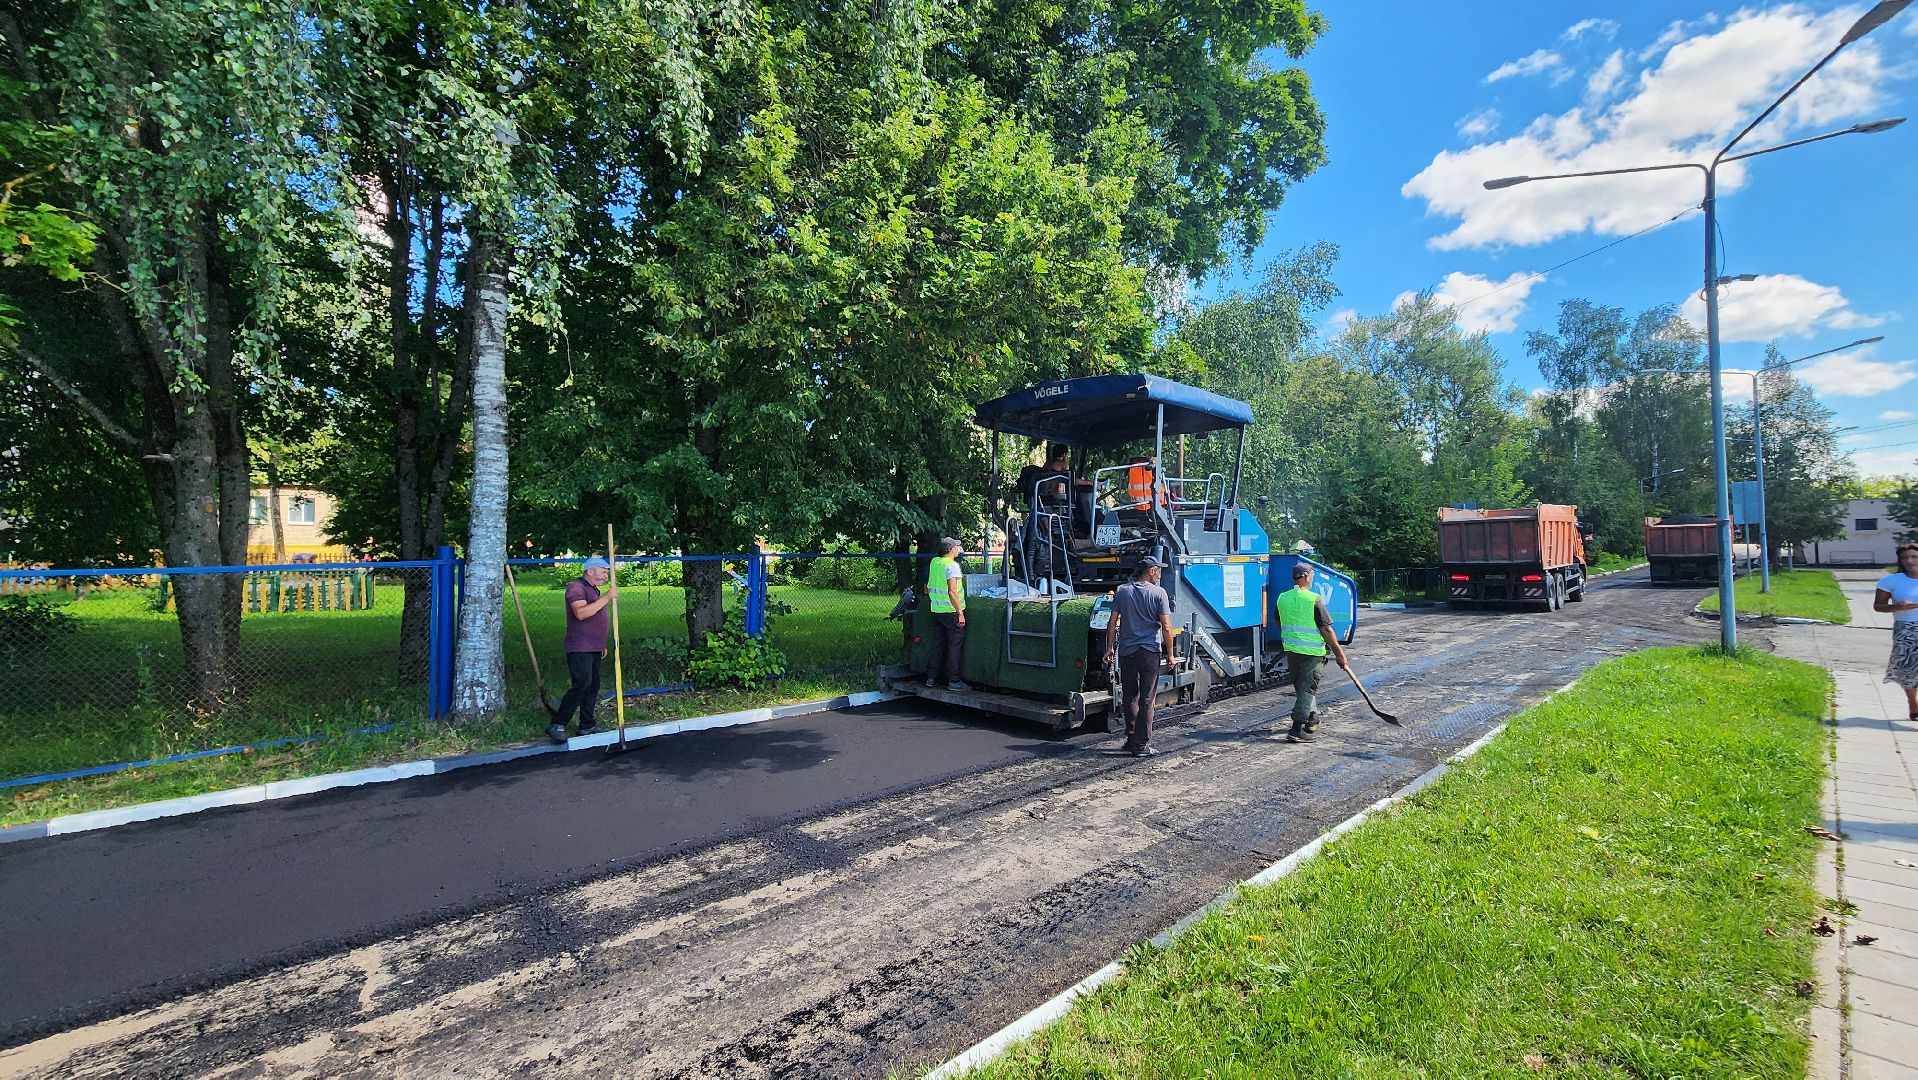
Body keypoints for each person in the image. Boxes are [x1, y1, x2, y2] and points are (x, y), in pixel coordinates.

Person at [1103, 556, 1176, 757]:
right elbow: (1167, 627)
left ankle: (1131, 737)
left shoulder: (1122, 591)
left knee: (1129, 696)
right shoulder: (1159, 593)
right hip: (1149, 651)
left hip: (1127, 651)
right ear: (1151, 571)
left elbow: (1112, 624)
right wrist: (1171, 654)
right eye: (1158, 570)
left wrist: (1109, 648)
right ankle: (1141, 745)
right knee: (1147, 698)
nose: (1160, 574)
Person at [1277, 561, 1349, 744]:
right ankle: (1296, 729)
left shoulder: (1282, 598)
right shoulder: (1313, 599)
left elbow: (1279, 622)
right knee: (1308, 688)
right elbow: (1326, 630)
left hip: (1292, 651)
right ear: (1307, 576)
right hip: (1311, 652)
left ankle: (1312, 718)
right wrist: (1340, 654)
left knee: (1302, 686)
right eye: (1312, 575)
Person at [548, 555, 616, 743]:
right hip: (580, 647)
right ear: (590, 571)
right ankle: (557, 724)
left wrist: (601, 644)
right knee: (582, 683)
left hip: (593, 646)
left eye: (606, 573)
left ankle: (587, 725)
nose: (606, 577)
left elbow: (595, 618)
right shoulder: (576, 588)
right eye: (603, 572)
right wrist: (607, 597)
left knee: (593, 685)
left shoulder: (592, 589)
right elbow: (581, 613)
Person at [1875, 542, 1918, 722]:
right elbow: (1878, 606)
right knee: (1908, 669)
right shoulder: (1891, 581)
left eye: (1914, 556)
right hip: (1906, 630)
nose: (1909, 560)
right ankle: (1912, 702)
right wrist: (1897, 606)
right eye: (1905, 557)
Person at [926, 537, 971, 692]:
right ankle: (954, 681)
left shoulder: (934, 562)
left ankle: (931, 678)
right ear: (951, 549)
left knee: (937, 644)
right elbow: (952, 591)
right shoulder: (952, 566)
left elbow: (928, 586)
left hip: (938, 610)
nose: (959, 549)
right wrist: (960, 613)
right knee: (954, 646)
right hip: (952, 612)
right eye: (957, 547)